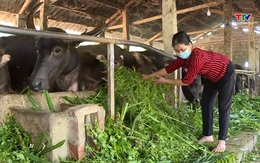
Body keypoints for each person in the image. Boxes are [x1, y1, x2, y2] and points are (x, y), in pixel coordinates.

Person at [142, 31, 235, 153]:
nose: (180, 53)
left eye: (182, 49)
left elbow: (187, 81)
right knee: (206, 103)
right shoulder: (182, 59)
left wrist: (165, 81)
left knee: (223, 106)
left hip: (225, 72)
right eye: (177, 51)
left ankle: (222, 142)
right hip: (211, 77)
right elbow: (168, 68)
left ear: (190, 44)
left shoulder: (197, 57)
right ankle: (208, 135)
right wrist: (149, 76)